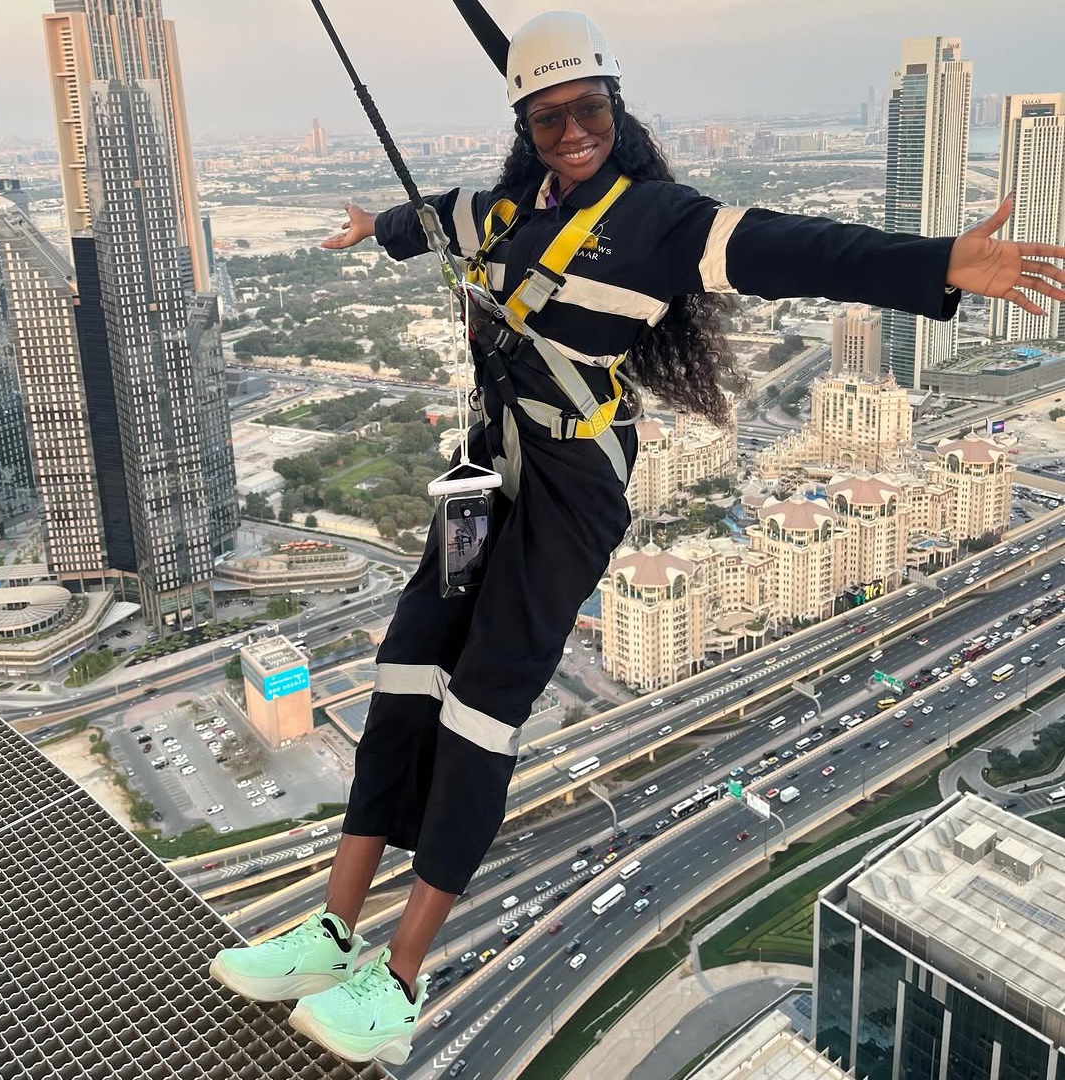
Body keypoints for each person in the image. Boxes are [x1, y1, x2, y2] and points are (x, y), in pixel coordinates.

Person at [209, 9, 1065, 1067]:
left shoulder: (659, 220)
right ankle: (333, 932)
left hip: (570, 487)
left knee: (480, 710)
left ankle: (398, 982)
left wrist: (936, 265)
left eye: (593, 110)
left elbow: (794, 248)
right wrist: (372, 228)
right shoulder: (504, 208)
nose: (575, 130)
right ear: (525, 126)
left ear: (617, 111)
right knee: (405, 674)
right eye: (552, 116)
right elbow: (434, 217)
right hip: (491, 467)